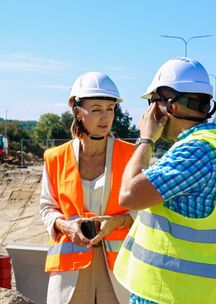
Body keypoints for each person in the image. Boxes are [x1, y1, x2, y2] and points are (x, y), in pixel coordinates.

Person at [113, 57, 216, 304]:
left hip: (170, 294)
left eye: (153, 102)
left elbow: (129, 195)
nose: (148, 113)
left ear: (170, 105)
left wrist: (146, 139)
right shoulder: (213, 147)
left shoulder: (195, 151)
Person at [39, 72, 135, 304]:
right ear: (77, 111)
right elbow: (47, 207)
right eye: (96, 109)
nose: (105, 117)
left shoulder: (131, 155)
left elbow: (145, 212)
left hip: (118, 270)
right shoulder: (55, 157)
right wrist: (65, 225)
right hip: (70, 271)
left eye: (110, 109)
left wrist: (118, 222)